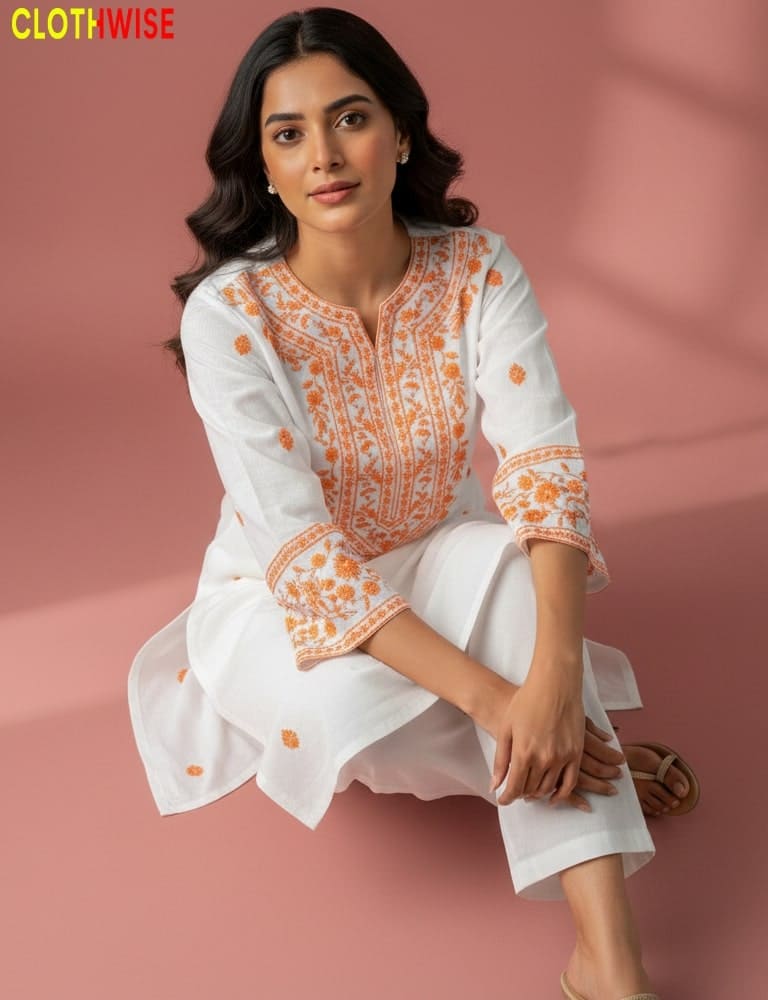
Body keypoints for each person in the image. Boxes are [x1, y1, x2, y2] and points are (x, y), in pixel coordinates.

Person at [127, 8, 699, 998]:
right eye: (289, 133)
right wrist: (513, 706)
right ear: (262, 167)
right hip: (277, 603)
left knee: (525, 579)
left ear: (398, 130)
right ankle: (581, 760)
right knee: (350, 714)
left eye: (350, 118)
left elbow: (544, 468)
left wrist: (557, 679)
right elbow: (302, 553)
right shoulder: (229, 314)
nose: (325, 156)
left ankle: (609, 961)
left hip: (443, 549)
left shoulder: (481, 270)